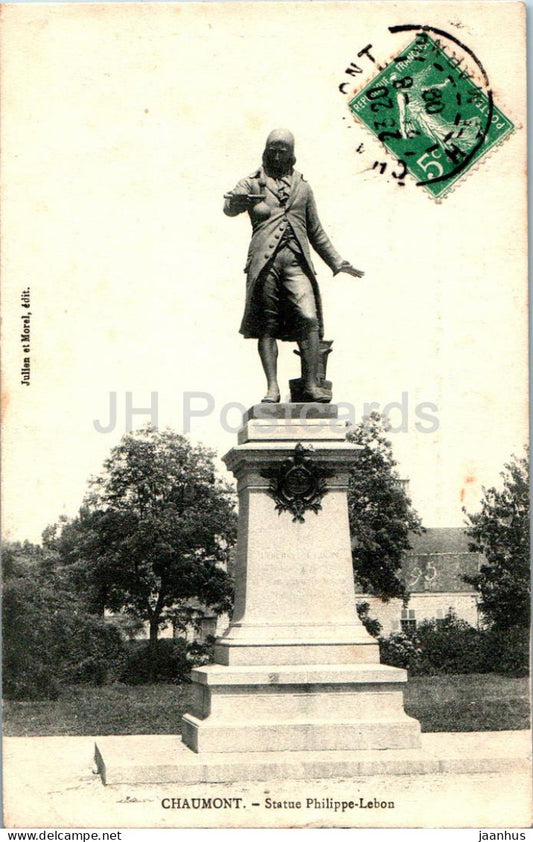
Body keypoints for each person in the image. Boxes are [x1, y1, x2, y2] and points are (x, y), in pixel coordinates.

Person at [224, 128, 364, 403]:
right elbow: (229, 207)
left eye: (283, 150)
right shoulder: (251, 182)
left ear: (292, 154)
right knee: (267, 325)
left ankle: (310, 384)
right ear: (265, 151)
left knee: (309, 319)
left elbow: (316, 230)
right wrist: (236, 202)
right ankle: (272, 388)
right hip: (264, 263)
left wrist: (337, 262)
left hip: (297, 262)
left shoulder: (303, 187)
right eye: (272, 150)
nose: (277, 155)